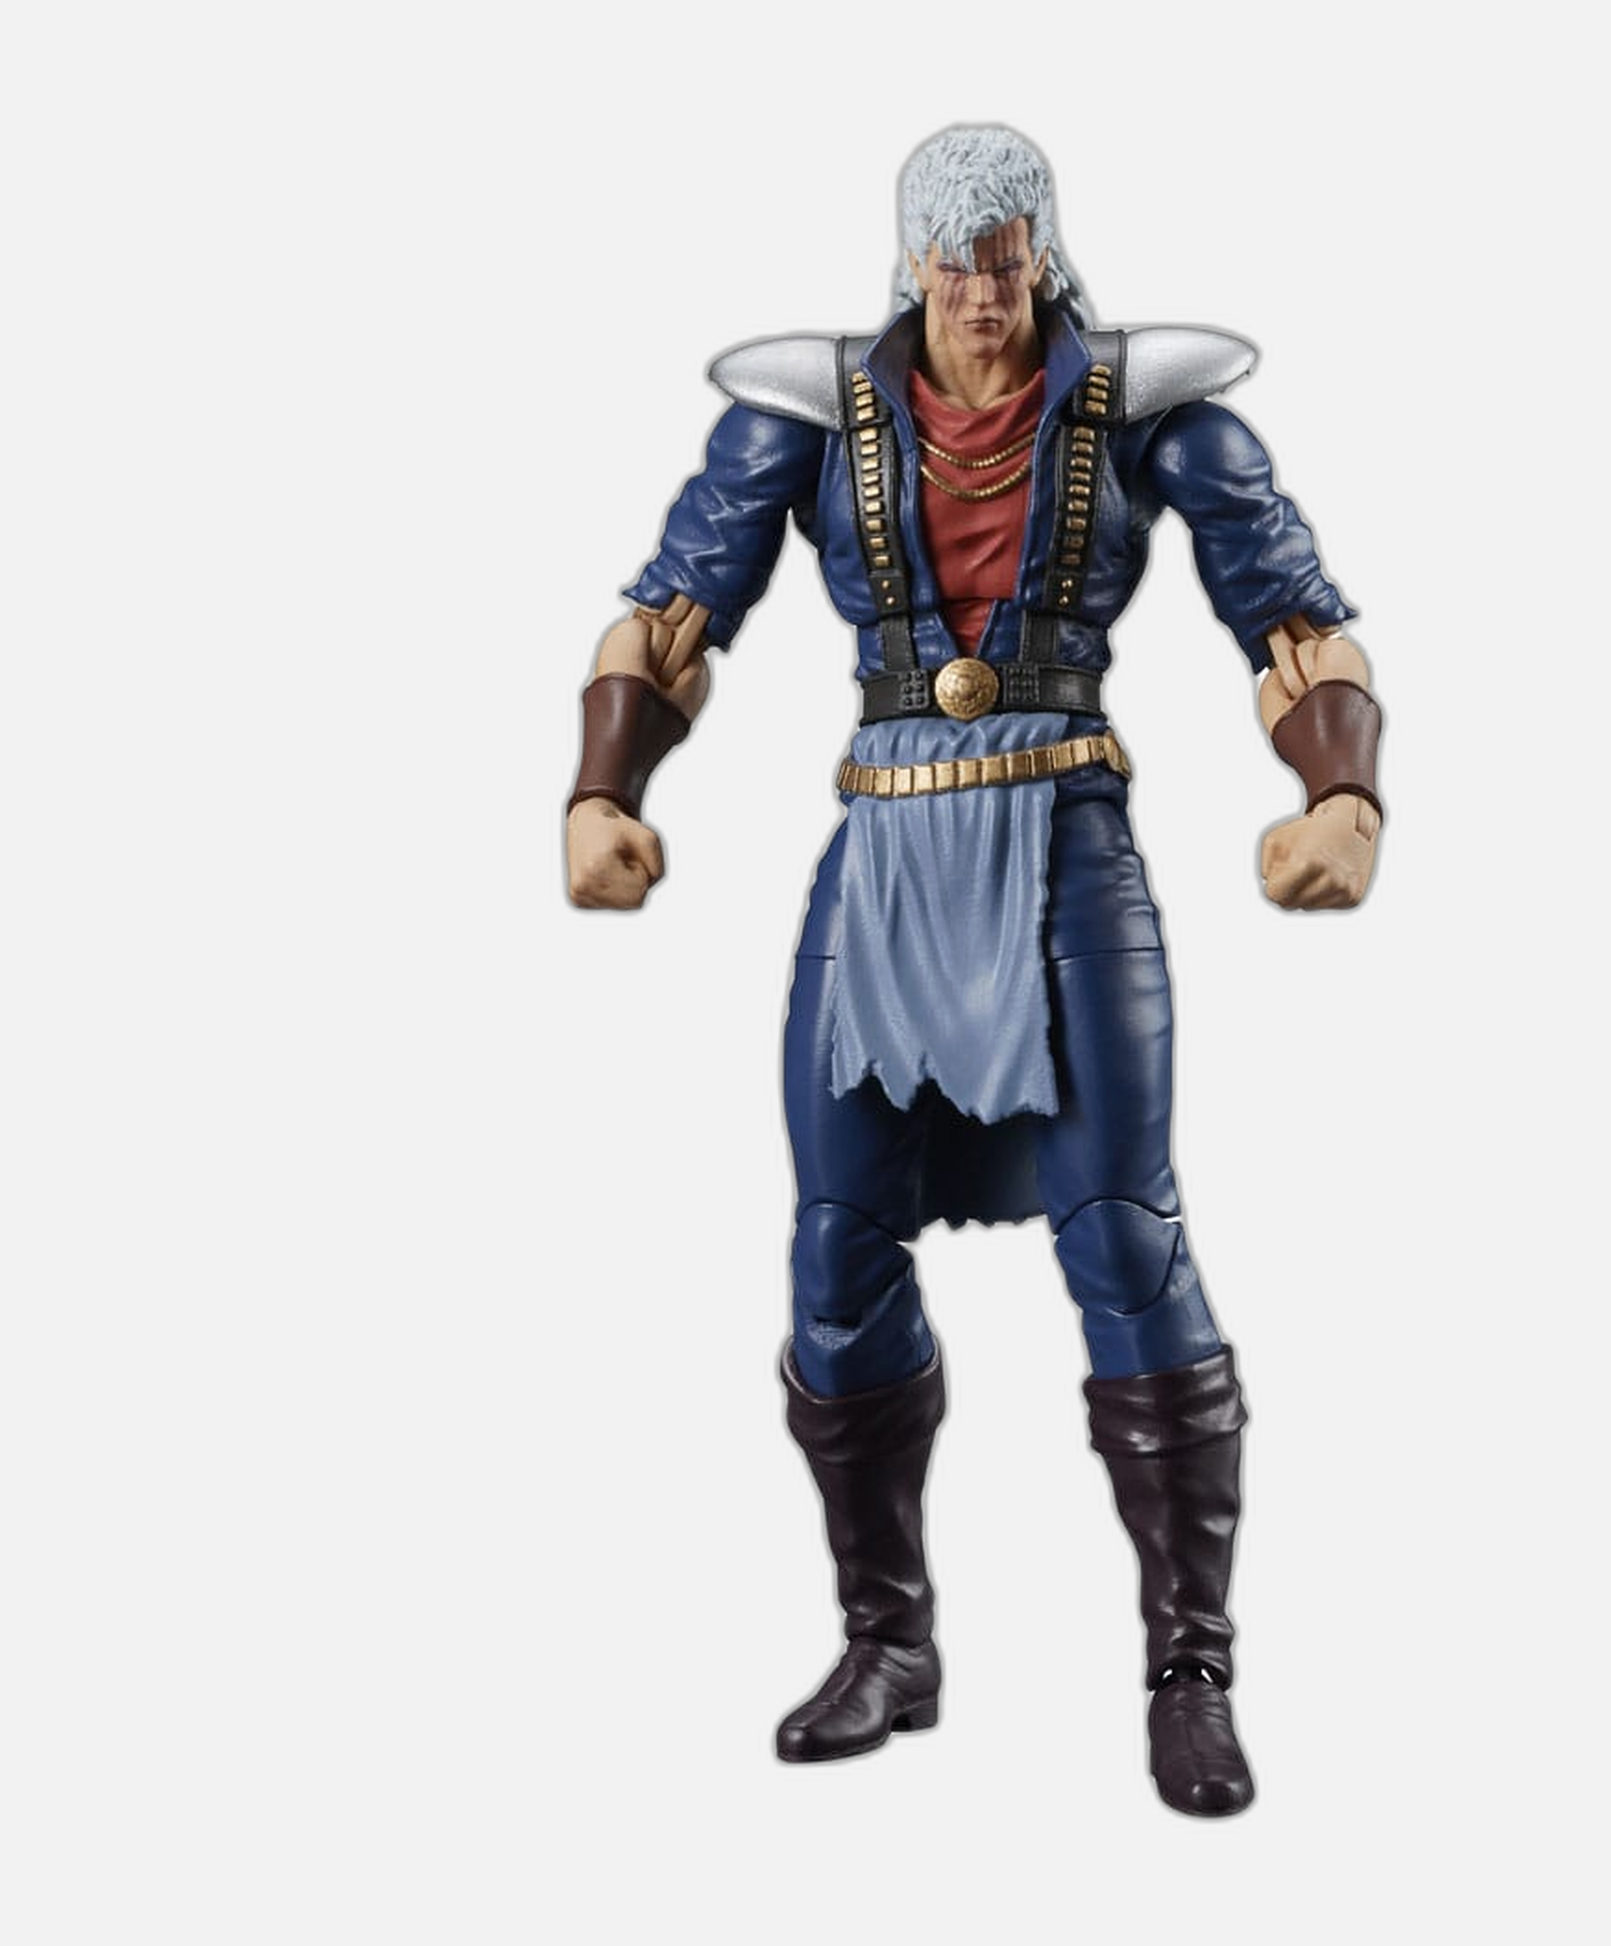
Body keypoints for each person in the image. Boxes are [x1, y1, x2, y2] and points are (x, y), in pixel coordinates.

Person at [565, 126, 1383, 1816]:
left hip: (1066, 843)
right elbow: (670, 614)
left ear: (1041, 258)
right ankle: (887, 1642)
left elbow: (1291, 621)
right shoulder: (804, 422)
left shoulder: (1150, 415)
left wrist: (1341, 793)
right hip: (883, 852)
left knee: (1127, 1239)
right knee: (833, 1247)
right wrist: (602, 791)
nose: (982, 298)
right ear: (912, 270)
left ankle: (1190, 1670)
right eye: (953, 268)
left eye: (1004, 263)